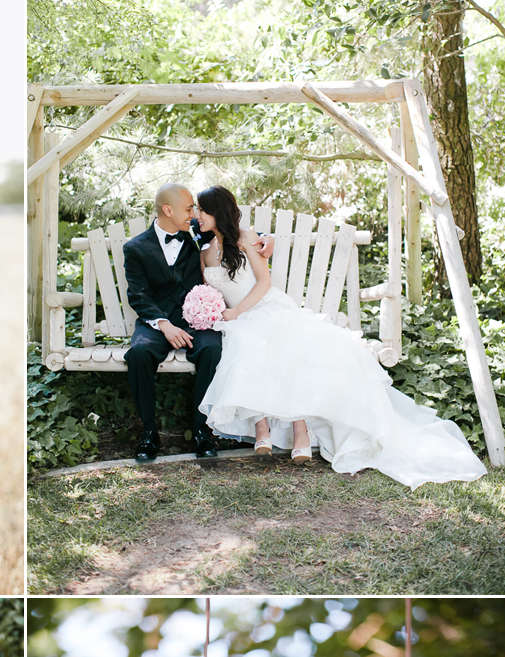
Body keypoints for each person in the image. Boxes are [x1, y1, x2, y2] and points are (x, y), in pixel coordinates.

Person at [195, 185, 487, 487]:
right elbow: (210, 293)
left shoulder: (246, 238)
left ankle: (301, 430)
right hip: (236, 321)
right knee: (245, 344)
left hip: (263, 307)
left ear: (217, 211)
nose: (197, 215)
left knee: (287, 343)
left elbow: (264, 282)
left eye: (201, 210)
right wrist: (213, 311)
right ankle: (261, 426)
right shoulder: (204, 254)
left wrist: (238, 310)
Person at [121, 183, 274, 463]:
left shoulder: (194, 234)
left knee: (212, 349)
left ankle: (203, 431)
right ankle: (149, 433)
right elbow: (138, 295)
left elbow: (229, 231)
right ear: (168, 210)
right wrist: (163, 324)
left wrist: (268, 237)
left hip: (198, 320)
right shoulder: (135, 248)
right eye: (189, 208)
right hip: (159, 322)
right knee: (139, 353)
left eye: (195, 209)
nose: (194, 214)